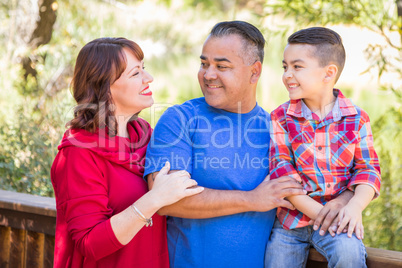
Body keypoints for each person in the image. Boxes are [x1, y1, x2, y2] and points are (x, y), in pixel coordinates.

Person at [144, 21, 351, 268]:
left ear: (255, 71)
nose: (208, 74)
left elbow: (331, 179)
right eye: (204, 64)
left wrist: (345, 200)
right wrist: (252, 199)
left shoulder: (279, 128)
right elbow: (165, 200)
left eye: (221, 66)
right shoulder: (179, 119)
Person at [50, 37, 204, 268]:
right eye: (135, 74)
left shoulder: (147, 135)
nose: (149, 78)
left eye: (145, 69)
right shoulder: (78, 153)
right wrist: (154, 199)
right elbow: (89, 244)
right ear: (104, 88)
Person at [265, 27, 382, 268]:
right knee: (276, 262)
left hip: (340, 219)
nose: (287, 74)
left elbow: (368, 171)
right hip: (291, 222)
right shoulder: (281, 117)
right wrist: (324, 216)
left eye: (297, 67)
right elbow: (284, 177)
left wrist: (355, 208)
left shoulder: (357, 118)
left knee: (348, 255)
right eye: (285, 67)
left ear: (328, 73)